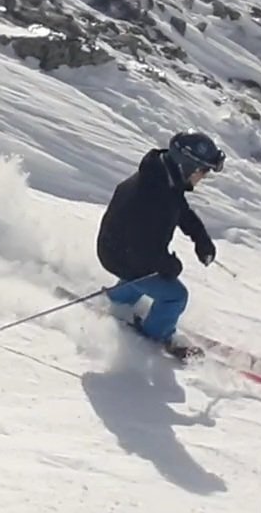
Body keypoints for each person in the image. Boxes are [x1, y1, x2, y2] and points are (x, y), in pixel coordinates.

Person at [96, 131, 225, 357]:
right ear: (188, 166)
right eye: (203, 170)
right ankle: (157, 335)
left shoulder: (161, 178)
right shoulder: (156, 197)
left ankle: (118, 301)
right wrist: (167, 265)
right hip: (122, 254)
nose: (204, 176)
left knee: (142, 274)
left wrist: (201, 239)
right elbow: (142, 249)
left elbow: (181, 211)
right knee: (175, 295)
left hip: (117, 249)